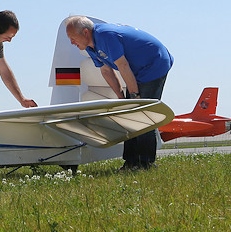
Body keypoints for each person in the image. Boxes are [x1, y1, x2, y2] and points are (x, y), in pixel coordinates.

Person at [64, 15, 173, 169]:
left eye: (73, 37)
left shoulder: (106, 36)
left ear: (86, 32)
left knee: (143, 115)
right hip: (137, 70)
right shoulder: (91, 46)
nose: (72, 42)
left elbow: (123, 66)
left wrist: (134, 97)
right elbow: (106, 70)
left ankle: (146, 163)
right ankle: (130, 162)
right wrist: (121, 97)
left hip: (154, 64)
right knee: (129, 115)